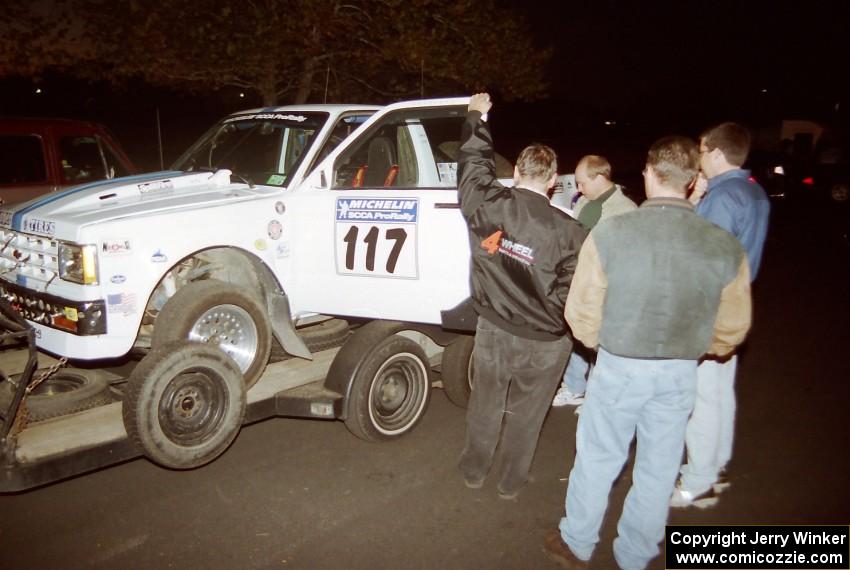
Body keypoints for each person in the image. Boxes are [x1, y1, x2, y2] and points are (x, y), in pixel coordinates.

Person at [544, 136, 752, 570]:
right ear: (694, 181)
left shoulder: (611, 232)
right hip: (679, 373)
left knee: (599, 458)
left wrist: (605, 344)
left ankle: (577, 543)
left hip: (619, 365)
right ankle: (635, 556)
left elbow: (580, 312)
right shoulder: (723, 244)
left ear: (647, 174)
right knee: (658, 469)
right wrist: (696, 349)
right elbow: (732, 327)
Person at [457, 93, 587, 499]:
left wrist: (477, 117)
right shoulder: (572, 234)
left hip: (494, 329)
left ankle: (474, 471)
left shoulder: (487, 204)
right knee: (529, 415)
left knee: (486, 403)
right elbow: (574, 295)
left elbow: (474, 165)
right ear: (553, 180)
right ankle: (510, 482)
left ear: (515, 172)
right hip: (546, 342)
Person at [671, 122, 770, 508]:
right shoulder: (752, 190)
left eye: (701, 149)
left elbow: (701, 260)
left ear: (714, 151)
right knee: (719, 394)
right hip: (736, 305)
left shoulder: (724, 197)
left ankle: (699, 481)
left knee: (701, 398)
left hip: (709, 309)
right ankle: (717, 466)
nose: (698, 158)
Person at [552, 155, 636, 409]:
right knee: (579, 335)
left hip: (607, 286)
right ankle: (575, 386)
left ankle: (597, 396)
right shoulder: (584, 203)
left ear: (599, 177)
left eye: (582, 183)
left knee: (599, 343)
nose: (578, 189)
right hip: (580, 281)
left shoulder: (626, 210)